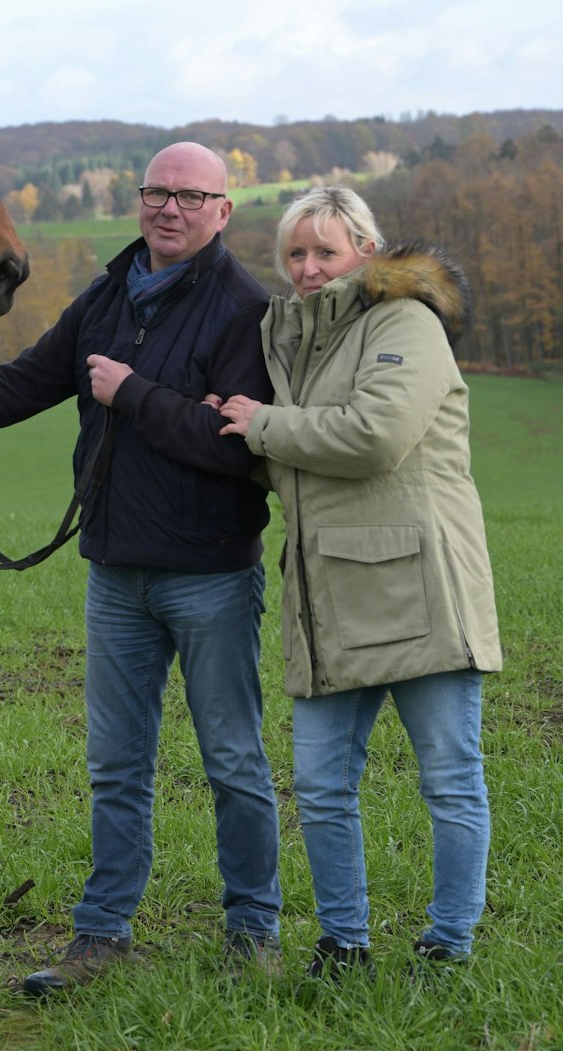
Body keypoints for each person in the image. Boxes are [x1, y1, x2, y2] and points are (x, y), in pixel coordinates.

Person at [0, 142, 282, 995]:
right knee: (117, 765)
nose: (169, 208)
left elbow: (237, 449)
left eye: (191, 196)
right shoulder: (109, 294)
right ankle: (101, 933)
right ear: (139, 200)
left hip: (210, 574)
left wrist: (133, 393)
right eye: (156, 191)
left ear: (223, 211)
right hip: (116, 570)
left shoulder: (245, 309)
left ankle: (252, 929)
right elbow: (24, 382)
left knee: (234, 760)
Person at [216, 186, 497, 977]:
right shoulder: (294, 339)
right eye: (295, 254)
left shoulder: (406, 322)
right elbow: (299, 465)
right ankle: (343, 943)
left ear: (365, 252)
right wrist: (236, 430)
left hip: (422, 588)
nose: (308, 268)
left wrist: (261, 424)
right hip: (329, 594)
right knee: (320, 785)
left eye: (325, 252)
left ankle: (449, 944)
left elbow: (376, 436)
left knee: (449, 779)